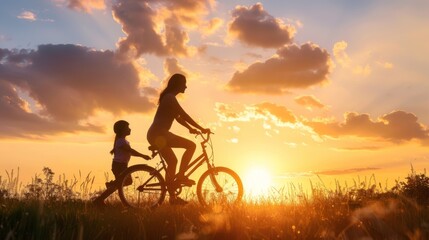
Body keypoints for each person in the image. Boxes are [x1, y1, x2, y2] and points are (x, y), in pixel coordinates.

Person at [147, 73, 210, 205]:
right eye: (184, 83)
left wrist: (190, 128)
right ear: (178, 84)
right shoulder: (170, 98)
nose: (186, 86)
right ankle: (181, 176)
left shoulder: (168, 98)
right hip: (160, 134)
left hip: (156, 134)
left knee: (172, 162)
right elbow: (183, 115)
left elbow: (178, 118)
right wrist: (202, 128)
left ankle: (173, 198)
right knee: (191, 145)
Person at [93, 120, 151, 206]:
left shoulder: (123, 141)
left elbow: (130, 152)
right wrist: (143, 156)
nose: (129, 129)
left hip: (121, 165)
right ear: (122, 130)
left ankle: (103, 195)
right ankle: (100, 198)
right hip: (119, 166)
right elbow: (131, 151)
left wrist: (141, 156)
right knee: (124, 182)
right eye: (127, 127)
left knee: (122, 183)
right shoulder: (121, 141)